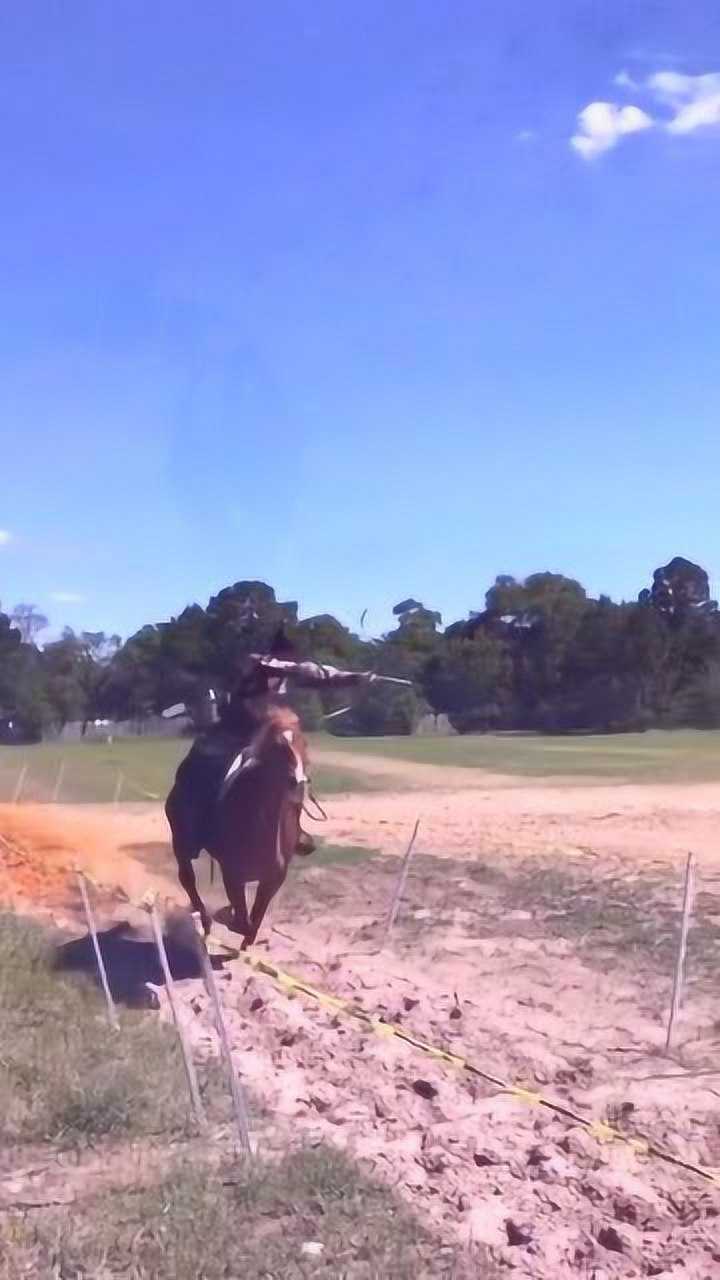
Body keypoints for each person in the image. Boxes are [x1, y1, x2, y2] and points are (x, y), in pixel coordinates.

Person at [166, 626, 376, 861]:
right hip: (233, 733)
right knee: (204, 768)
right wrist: (296, 667)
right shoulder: (255, 664)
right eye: (288, 656)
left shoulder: (287, 672)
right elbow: (288, 668)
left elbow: (320, 675)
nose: (292, 660)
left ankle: (293, 830)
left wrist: (356, 678)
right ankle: (200, 830)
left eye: (293, 656)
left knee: (295, 772)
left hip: (266, 734)